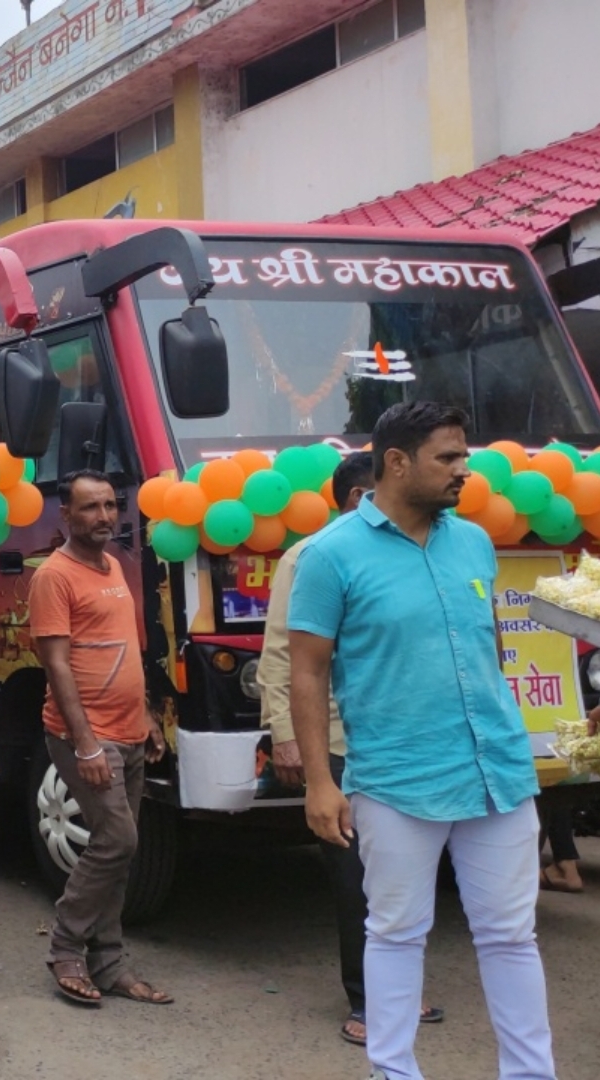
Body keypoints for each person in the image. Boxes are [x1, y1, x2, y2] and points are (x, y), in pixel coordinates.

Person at [289, 401, 555, 1080]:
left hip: (495, 771)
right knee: (397, 933)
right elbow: (308, 671)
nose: (465, 470)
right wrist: (320, 781)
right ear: (397, 462)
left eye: (464, 456)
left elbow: (484, 644)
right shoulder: (330, 555)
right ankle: (394, 1071)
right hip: (397, 780)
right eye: (449, 458)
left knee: (510, 936)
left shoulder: (471, 542)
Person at [260, 453, 443, 1047]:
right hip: (337, 742)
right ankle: (366, 1001)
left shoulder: (420, 552)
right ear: (352, 499)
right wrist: (285, 736)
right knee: (355, 876)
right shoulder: (311, 556)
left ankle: (402, 988)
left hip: (402, 739)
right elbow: (283, 656)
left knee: (405, 873)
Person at [29, 469, 170, 1007]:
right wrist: (86, 743)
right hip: (84, 735)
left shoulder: (114, 565)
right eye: (89, 508)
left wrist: (149, 718)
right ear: (65, 515)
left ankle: (108, 963)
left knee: (119, 851)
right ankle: (67, 945)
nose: (104, 517)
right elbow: (57, 666)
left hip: (130, 729)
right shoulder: (54, 576)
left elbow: (124, 649)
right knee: (118, 840)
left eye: (110, 506)